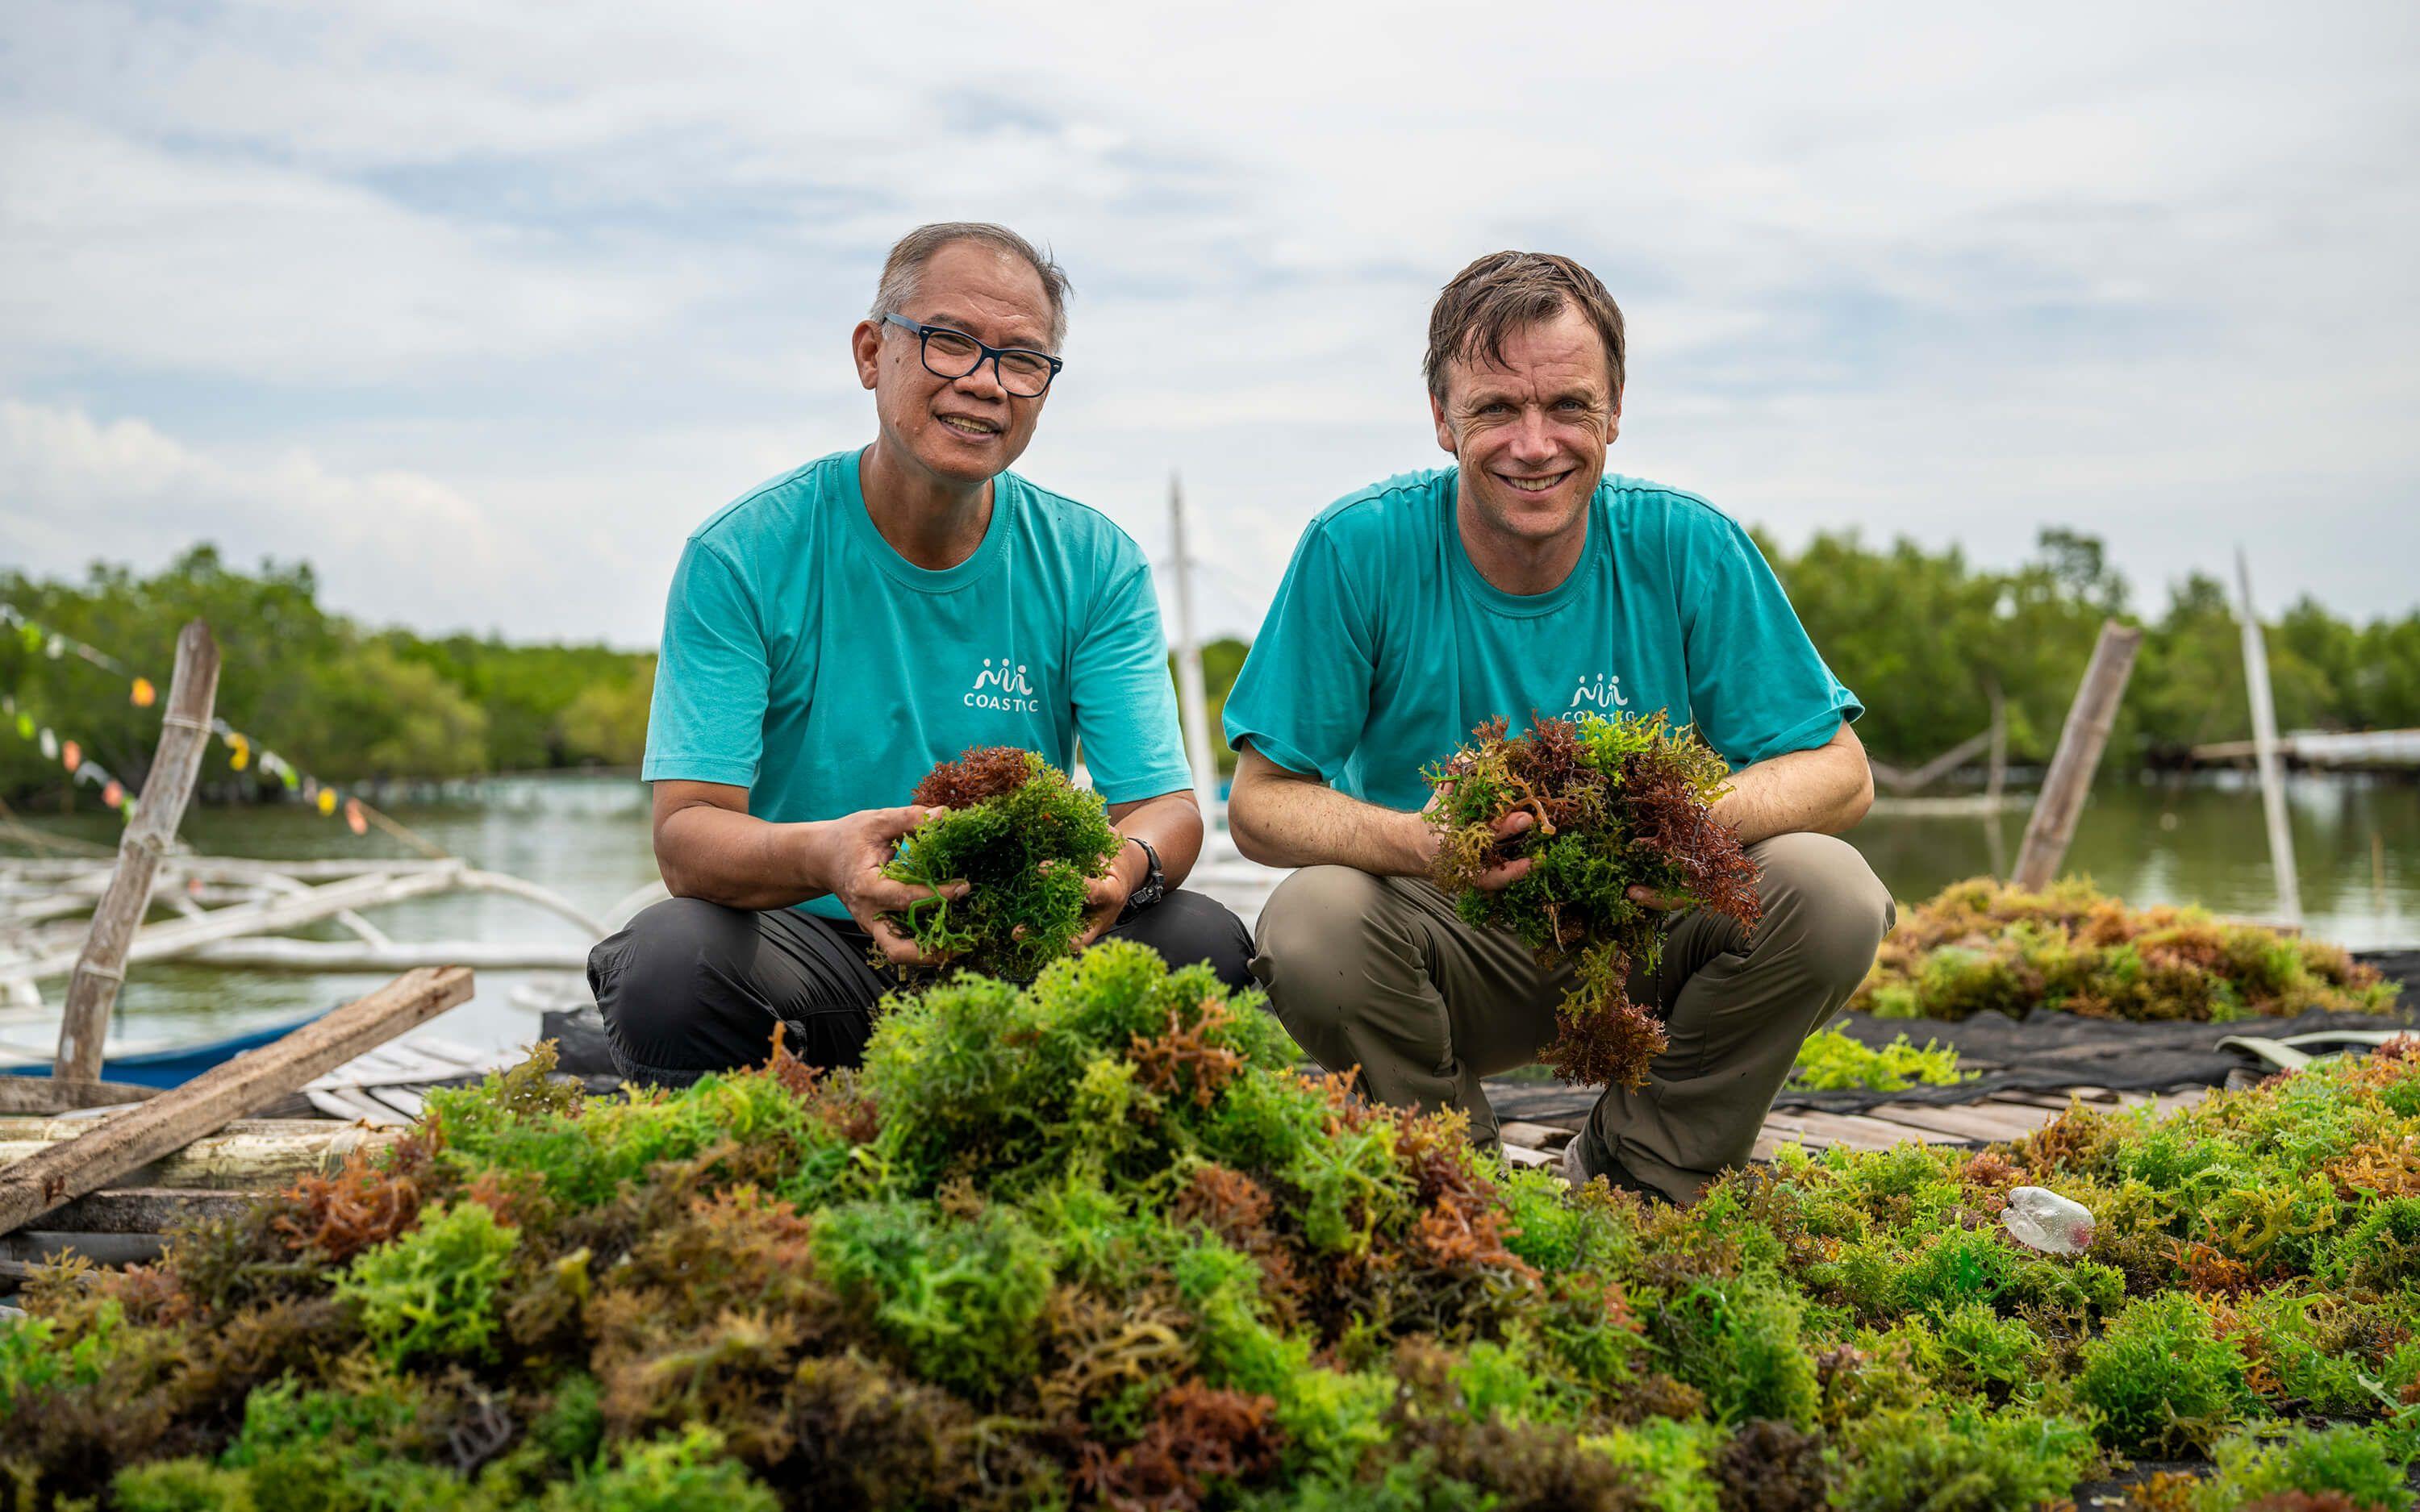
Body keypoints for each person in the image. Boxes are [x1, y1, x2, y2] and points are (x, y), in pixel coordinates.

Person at [1222, 251, 1893, 1204]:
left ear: (1615, 411)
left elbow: (1842, 772)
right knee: (1312, 922)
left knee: (1831, 891)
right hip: (1454, 941)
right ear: (1443, 420)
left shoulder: (1686, 543)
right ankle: (1454, 1188)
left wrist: (1684, 827)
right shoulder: (1357, 547)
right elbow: (1260, 806)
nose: (1534, 444)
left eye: (1569, 407)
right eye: (1496, 408)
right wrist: (1425, 842)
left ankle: (1645, 1173)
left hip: (1647, 935)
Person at [590, 222, 1251, 1088]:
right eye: (948, 343)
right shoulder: (742, 554)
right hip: (815, 952)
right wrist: (827, 855)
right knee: (668, 962)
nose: (984, 383)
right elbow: (686, 838)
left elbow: (1166, 807)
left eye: (1022, 360)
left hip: (1018, 949)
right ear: (872, 353)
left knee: (1204, 942)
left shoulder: (1094, 561)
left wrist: (1123, 869)